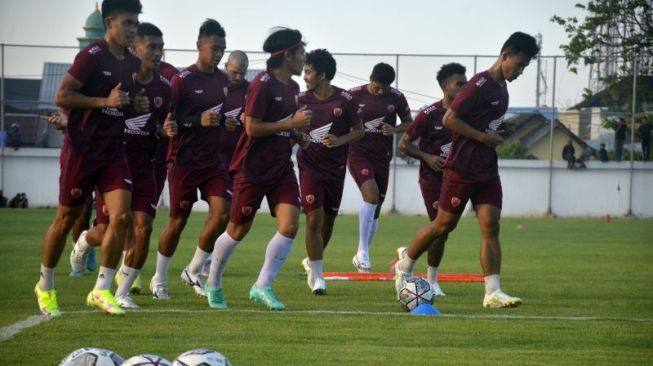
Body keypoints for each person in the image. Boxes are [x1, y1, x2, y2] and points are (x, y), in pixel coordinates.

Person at [394, 31, 540, 308]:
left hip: (486, 169)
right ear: (505, 55)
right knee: (443, 225)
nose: (520, 71)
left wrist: (499, 131)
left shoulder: (501, 89)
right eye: (519, 64)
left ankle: (492, 292)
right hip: (461, 169)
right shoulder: (478, 85)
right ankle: (405, 265)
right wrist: (483, 137)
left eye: (524, 66)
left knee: (491, 225)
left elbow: (484, 125)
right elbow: (450, 119)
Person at [34, 0, 146, 317]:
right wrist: (104, 100)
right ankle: (45, 286)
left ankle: (101, 289)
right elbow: (62, 96)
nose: (132, 30)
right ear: (109, 23)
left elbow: (120, 104)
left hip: (113, 151)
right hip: (82, 150)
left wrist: (133, 105)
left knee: (122, 218)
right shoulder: (91, 56)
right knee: (67, 219)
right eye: (127, 23)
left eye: (135, 24)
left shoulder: (131, 63)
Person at [69, 22, 175, 309]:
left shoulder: (164, 88)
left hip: (145, 166)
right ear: (134, 48)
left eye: (160, 47)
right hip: (114, 162)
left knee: (144, 227)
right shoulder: (116, 79)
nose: (157, 52)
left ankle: (122, 291)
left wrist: (163, 131)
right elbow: (90, 111)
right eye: (151, 46)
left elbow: (158, 126)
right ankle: (83, 241)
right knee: (109, 231)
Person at [206, 27, 311, 310]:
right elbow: (251, 127)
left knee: (290, 225)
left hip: (280, 167)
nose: (304, 57)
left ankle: (262, 286)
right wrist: (291, 124)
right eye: (301, 52)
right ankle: (213, 283)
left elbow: (281, 126)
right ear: (287, 55)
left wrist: (296, 135)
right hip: (251, 168)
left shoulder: (292, 87)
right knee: (238, 229)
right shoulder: (261, 85)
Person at [149, 19, 231, 300]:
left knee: (223, 214)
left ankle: (193, 269)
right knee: (177, 222)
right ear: (199, 46)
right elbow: (167, 121)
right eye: (214, 48)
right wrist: (198, 121)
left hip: (212, 161)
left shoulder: (223, 80)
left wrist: (224, 122)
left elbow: (215, 118)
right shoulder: (181, 80)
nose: (218, 54)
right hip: (183, 161)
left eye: (222, 49)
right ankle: (159, 279)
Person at [396, 62, 467, 296]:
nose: (465, 87)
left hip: (456, 178)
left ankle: (410, 254)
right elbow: (403, 144)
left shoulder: (466, 115)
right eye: (460, 83)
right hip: (432, 179)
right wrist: (427, 156)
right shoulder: (429, 115)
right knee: (440, 228)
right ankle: (432, 280)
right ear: (446, 86)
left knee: (444, 230)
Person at [297, 49, 364, 294]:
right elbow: (291, 128)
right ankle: (317, 276)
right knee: (313, 220)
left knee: (328, 222)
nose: (305, 76)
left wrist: (340, 140)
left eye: (309, 71)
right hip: (309, 168)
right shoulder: (301, 100)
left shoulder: (345, 100)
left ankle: (312, 262)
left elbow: (360, 131)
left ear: (322, 75)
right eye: (304, 71)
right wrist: (299, 137)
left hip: (335, 171)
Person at [348, 63, 413, 272]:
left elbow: (408, 122)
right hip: (358, 154)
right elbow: (338, 119)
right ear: (370, 79)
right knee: (372, 196)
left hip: (382, 156)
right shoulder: (354, 95)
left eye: (385, 87)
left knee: (376, 208)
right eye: (378, 86)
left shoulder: (396, 97)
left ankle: (362, 257)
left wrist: (394, 129)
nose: (381, 90)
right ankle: (362, 252)